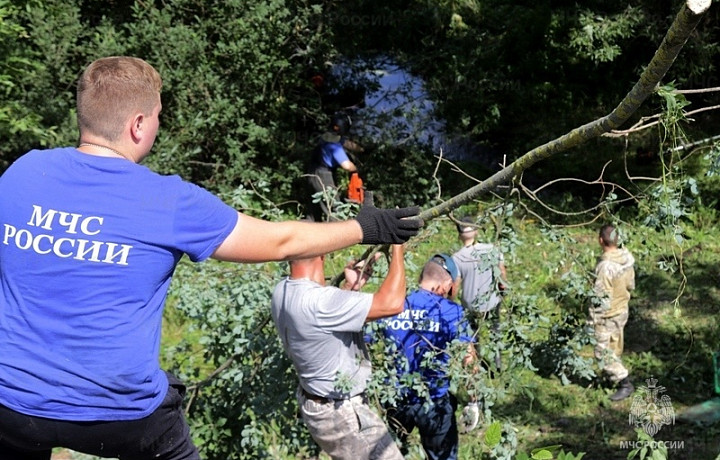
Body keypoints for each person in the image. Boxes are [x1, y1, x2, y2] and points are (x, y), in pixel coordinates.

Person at [0, 56, 422, 460]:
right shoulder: (165, 199)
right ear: (138, 124)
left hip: (11, 404)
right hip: (118, 413)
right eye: (159, 116)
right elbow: (279, 241)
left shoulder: (22, 172)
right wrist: (368, 228)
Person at [271, 245, 406, 460]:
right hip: (342, 412)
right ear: (323, 254)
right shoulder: (321, 302)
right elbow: (393, 303)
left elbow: (323, 324)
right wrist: (398, 247)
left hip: (317, 406)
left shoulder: (282, 291)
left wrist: (351, 288)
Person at [382, 254, 476, 460]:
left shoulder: (392, 305)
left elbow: (368, 341)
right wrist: (473, 401)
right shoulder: (452, 312)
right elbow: (468, 359)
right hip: (434, 401)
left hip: (394, 400)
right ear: (447, 284)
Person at [590, 224, 636, 402]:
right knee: (615, 344)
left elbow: (599, 297)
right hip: (622, 308)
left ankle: (624, 382)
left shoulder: (605, 266)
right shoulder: (627, 258)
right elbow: (631, 284)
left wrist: (592, 319)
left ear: (600, 240)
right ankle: (611, 377)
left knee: (602, 351)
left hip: (608, 314)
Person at [306, 112, 365, 221]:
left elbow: (346, 143)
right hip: (323, 176)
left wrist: (362, 149)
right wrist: (356, 168)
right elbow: (347, 166)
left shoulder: (326, 137)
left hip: (312, 172)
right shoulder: (335, 147)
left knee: (313, 213)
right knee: (335, 208)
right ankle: (339, 236)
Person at [451, 217, 507, 314]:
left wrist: (449, 302)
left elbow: (455, 286)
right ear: (476, 232)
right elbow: (501, 273)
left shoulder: (456, 258)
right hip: (491, 301)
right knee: (495, 325)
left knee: (471, 328)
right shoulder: (492, 250)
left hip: (469, 305)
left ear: (459, 236)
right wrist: (503, 289)